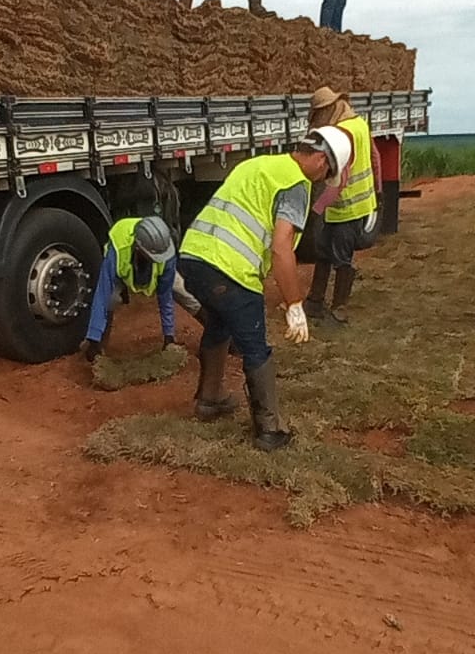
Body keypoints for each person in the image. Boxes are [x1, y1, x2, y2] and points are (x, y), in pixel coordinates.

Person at [179, 126, 352, 451]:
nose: (322, 179)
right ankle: (270, 429)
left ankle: (209, 399)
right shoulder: (295, 185)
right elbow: (282, 248)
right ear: (319, 159)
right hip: (230, 269)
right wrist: (295, 304)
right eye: (326, 171)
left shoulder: (258, 165)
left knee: (219, 322)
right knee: (254, 344)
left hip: (193, 257)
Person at [303, 86, 381, 325]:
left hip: (347, 207)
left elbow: (341, 179)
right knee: (324, 250)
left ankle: (339, 309)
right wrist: (378, 191)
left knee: (340, 257)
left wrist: (316, 209)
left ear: (329, 109)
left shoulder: (342, 134)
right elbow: (375, 157)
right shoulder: (359, 124)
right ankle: (315, 301)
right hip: (355, 204)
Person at [82, 216, 179, 361]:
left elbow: (165, 296)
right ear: (139, 248)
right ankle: (98, 347)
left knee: (184, 292)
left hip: (155, 274)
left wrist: (169, 336)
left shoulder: (164, 251)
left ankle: (216, 338)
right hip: (124, 273)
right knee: (111, 299)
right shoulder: (118, 248)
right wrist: (93, 337)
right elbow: (103, 293)